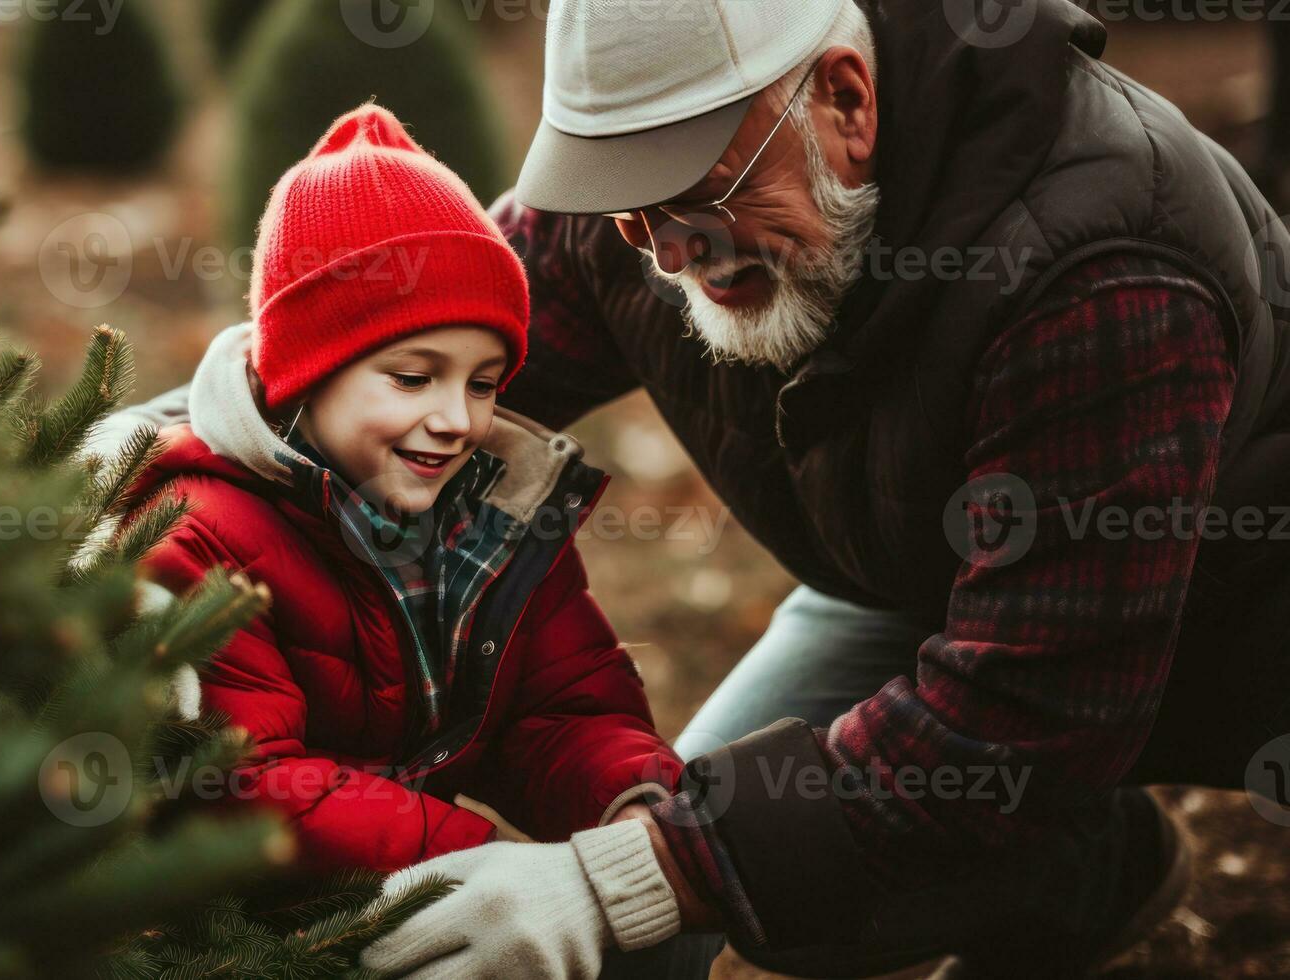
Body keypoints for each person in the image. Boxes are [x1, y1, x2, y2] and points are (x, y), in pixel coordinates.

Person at [103, 1, 1290, 976]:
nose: (664, 253)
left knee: (748, 866)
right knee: (755, 888)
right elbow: (372, 352)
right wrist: (142, 452)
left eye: (692, 196)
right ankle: (1079, 868)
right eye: (626, 206)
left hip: (1206, 617)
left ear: (844, 101)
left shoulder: (1101, 263)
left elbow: (1033, 710)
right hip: (908, 575)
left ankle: (1068, 859)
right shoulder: (638, 224)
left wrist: (618, 874)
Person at [126, 103, 686, 887]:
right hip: (272, 929)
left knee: (661, 907)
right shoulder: (201, 538)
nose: (457, 420)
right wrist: (489, 867)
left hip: (424, 876)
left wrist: (633, 805)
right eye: (414, 378)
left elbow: (559, 710)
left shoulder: (490, 515)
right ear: (308, 370)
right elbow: (247, 783)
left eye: (484, 384)